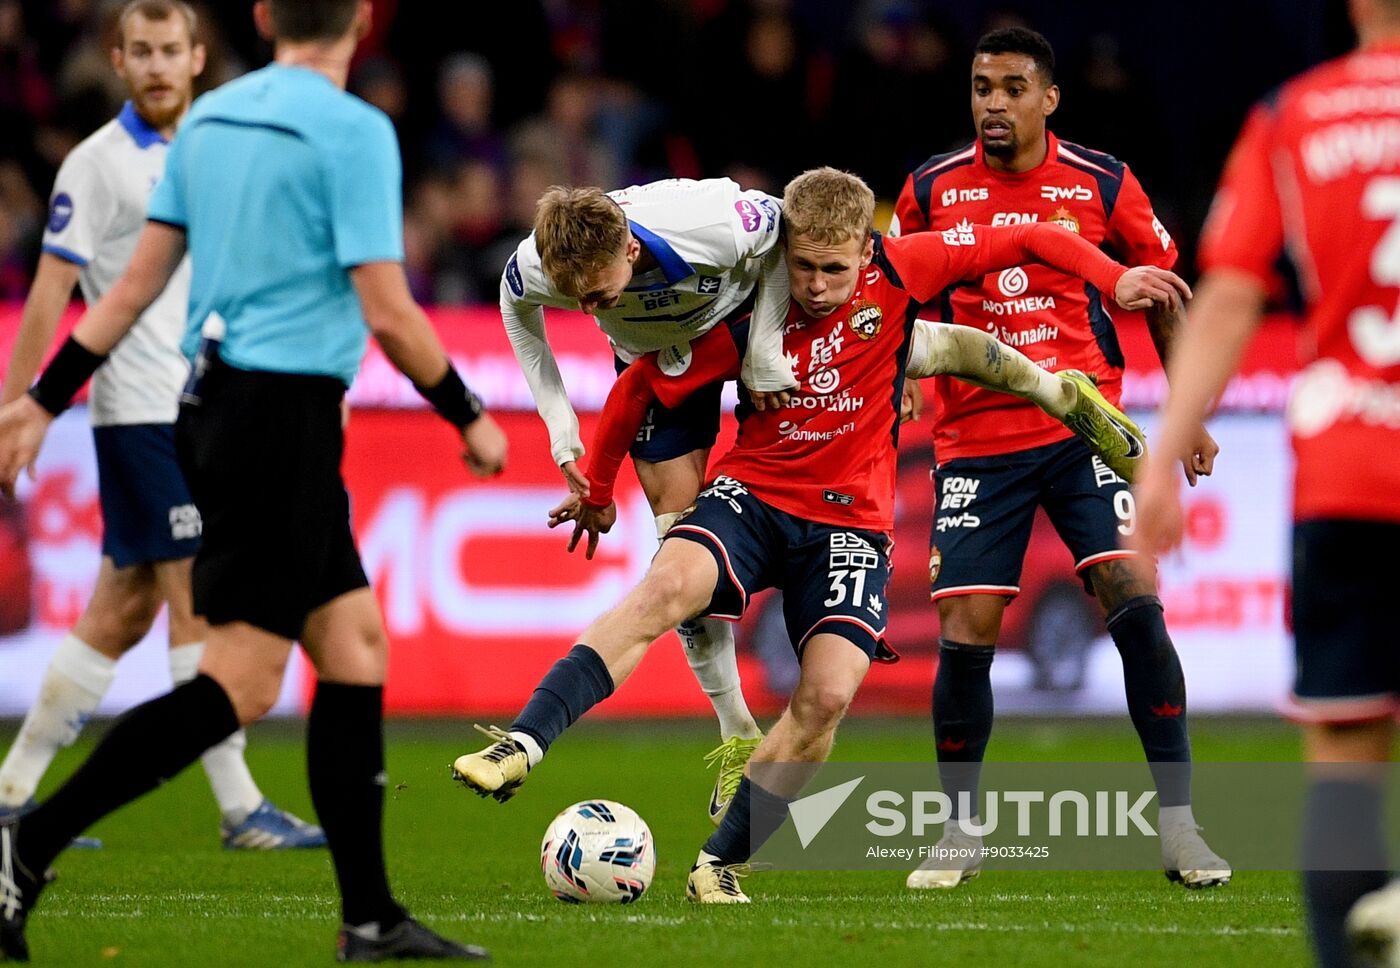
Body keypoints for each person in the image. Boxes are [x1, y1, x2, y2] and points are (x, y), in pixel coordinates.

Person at [452, 167, 1189, 903]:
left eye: (832, 268)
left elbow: (1029, 234)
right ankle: (524, 741)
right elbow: (642, 386)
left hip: (851, 525)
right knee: (664, 588)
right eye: (800, 266)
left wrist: (1115, 276)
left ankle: (718, 863)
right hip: (757, 494)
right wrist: (599, 484)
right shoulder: (743, 313)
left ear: (865, 254)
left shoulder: (904, 266)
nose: (814, 284)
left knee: (828, 698)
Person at [0, 0, 506, 961]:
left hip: (217, 409)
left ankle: (370, 921)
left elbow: (135, 284)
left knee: (354, 643)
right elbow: (389, 309)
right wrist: (466, 413)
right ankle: (25, 848)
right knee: (238, 681)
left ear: (266, 17)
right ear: (362, 19)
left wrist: (39, 399)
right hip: (282, 421)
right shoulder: (356, 130)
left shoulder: (216, 118)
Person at [888, 25, 1229, 891]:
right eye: (979, 88)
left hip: (1085, 426)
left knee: (1135, 600)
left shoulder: (1103, 180)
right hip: (975, 440)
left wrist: (1185, 411)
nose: (992, 105)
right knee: (966, 632)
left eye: (1009, 88)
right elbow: (893, 294)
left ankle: (1182, 828)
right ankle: (959, 833)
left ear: (1048, 99)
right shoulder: (928, 187)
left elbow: (1161, 290)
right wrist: (893, 383)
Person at [0, 0, 325, 853]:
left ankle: (11, 792)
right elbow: (49, 293)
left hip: (202, 410)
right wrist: (16, 406)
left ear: (195, 56)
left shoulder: (210, 151)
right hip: (138, 412)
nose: (153, 65)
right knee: (196, 599)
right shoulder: (95, 165)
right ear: (116, 58)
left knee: (121, 608)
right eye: (138, 51)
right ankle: (239, 804)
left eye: (168, 50)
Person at [1130, 0, 1400, 961]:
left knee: (1343, 750)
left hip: (1349, 474)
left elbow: (1232, 294)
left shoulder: (1297, 114)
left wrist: (1159, 462)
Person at [501, 178, 799, 824]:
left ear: (631, 249)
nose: (585, 304)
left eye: (597, 288)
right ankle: (738, 732)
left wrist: (769, 346)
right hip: (659, 367)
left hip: (746, 326)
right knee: (679, 551)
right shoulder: (543, 264)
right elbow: (514, 305)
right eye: (573, 292)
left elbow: (783, 231)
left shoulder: (711, 224)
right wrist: (561, 429)